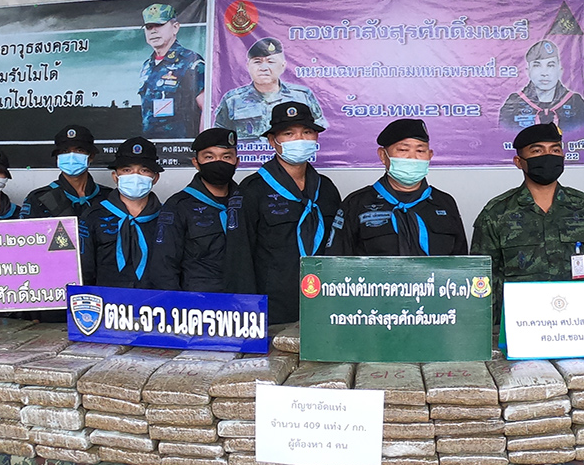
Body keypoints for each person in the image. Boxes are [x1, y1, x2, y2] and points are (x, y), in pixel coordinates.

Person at [471, 123, 584, 324]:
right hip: (519, 326)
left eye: (555, 150)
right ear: (519, 162)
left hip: (580, 323)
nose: (548, 156)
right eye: (537, 151)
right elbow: (483, 280)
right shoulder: (497, 213)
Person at [239, 102, 342, 324]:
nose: (300, 140)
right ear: (272, 141)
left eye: (307, 132)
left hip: (322, 300)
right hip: (272, 307)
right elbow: (240, 255)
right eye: (289, 133)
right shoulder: (252, 189)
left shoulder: (326, 188)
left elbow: (339, 247)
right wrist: (247, 310)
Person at [332, 119, 467, 257]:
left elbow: (462, 266)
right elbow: (336, 265)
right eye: (403, 150)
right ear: (383, 155)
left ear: (430, 156)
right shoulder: (356, 204)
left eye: (420, 150)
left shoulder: (445, 203)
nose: (413, 158)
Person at [150, 128, 253, 293]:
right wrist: (178, 308)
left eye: (226, 157)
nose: (218, 162)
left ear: (237, 161)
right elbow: (164, 267)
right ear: (196, 162)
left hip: (244, 300)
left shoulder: (249, 200)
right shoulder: (178, 206)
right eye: (209, 157)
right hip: (199, 304)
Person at [82, 138, 164, 289]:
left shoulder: (168, 217)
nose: (135, 176)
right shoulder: (93, 216)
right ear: (115, 177)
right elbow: (85, 271)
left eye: (144, 170)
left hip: (155, 304)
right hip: (107, 304)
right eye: (127, 170)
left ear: (155, 178)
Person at [213, 36, 327, 139]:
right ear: (248, 66)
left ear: (283, 66)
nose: (263, 68)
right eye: (257, 62)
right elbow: (219, 136)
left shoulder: (302, 96)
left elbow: (320, 132)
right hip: (247, 160)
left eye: (270, 62)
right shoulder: (232, 100)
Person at [138, 3, 205, 139]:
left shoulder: (191, 61)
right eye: (149, 27)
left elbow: (207, 108)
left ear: (175, 28)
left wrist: (201, 145)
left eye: (159, 25)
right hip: (151, 147)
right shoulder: (147, 66)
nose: (153, 31)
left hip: (180, 148)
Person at [498, 39, 584, 133]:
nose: (544, 73)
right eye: (537, 65)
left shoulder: (576, 103)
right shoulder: (513, 103)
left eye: (550, 65)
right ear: (528, 71)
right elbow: (503, 137)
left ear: (560, 70)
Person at [21, 126, 105, 219]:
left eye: (79, 150)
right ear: (57, 157)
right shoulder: (38, 199)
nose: (72, 156)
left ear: (91, 156)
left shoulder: (108, 197)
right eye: (65, 151)